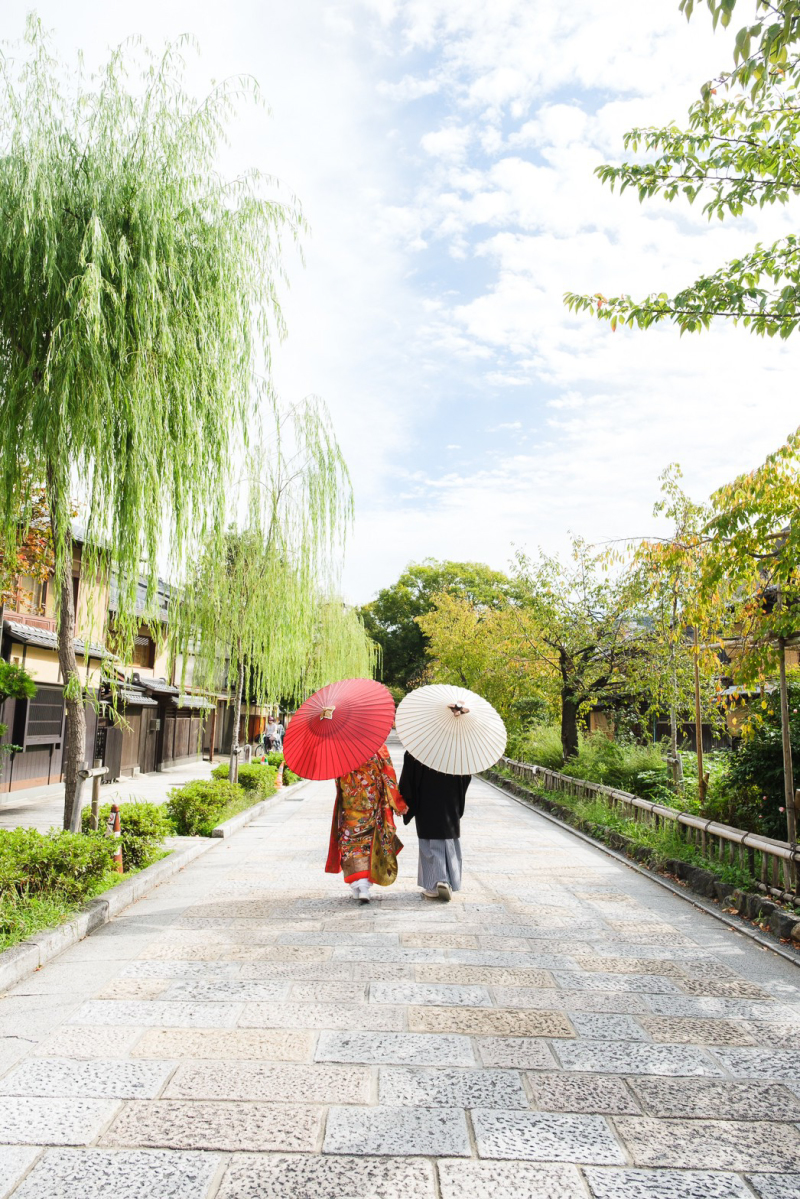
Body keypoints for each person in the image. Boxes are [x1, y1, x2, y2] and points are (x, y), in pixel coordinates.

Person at [326, 744, 407, 902]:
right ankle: (363, 886)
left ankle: (357, 885)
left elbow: (337, 779)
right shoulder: (378, 748)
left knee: (350, 843)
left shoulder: (341, 749)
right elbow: (388, 778)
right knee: (369, 842)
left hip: (349, 806)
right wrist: (398, 804)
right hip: (372, 805)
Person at [399, 750, 471, 901]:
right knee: (448, 840)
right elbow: (466, 777)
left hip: (426, 799)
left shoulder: (417, 748)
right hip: (450, 800)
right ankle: (447, 880)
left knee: (429, 839)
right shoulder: (458, 749)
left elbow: (408, 779)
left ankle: (434, 883)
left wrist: (404, 801)